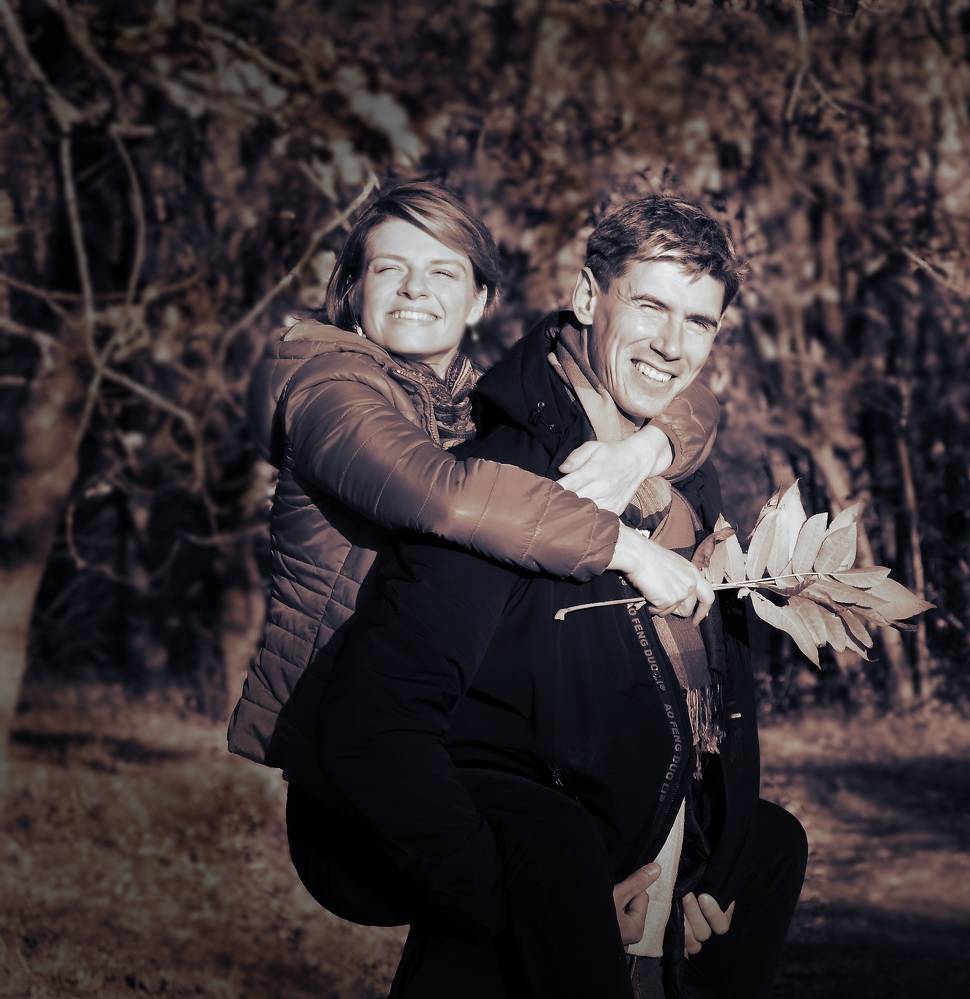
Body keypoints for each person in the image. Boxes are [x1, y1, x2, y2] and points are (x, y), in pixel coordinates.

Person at [304, 195, 806, 998]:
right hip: (532, 908)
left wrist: (709, 861)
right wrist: (526, 904)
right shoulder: (507, 485)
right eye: (649, 306)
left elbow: (713, 695)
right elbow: (376, 728)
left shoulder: (679, 479)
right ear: (587, 297)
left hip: (650, 877)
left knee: (774, 846)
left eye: (698, 322)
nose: (673, 344)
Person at [225, 180, 719, 797]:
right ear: (353, 290)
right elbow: (446, 495)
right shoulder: (329, 390)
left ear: (479, 299)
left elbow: (690, 388)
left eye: (443, 272)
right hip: (351, 735)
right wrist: (628, 550)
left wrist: (644, 449)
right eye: (390, 268)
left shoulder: (468, 401)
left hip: (441, 736)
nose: (415, 288)